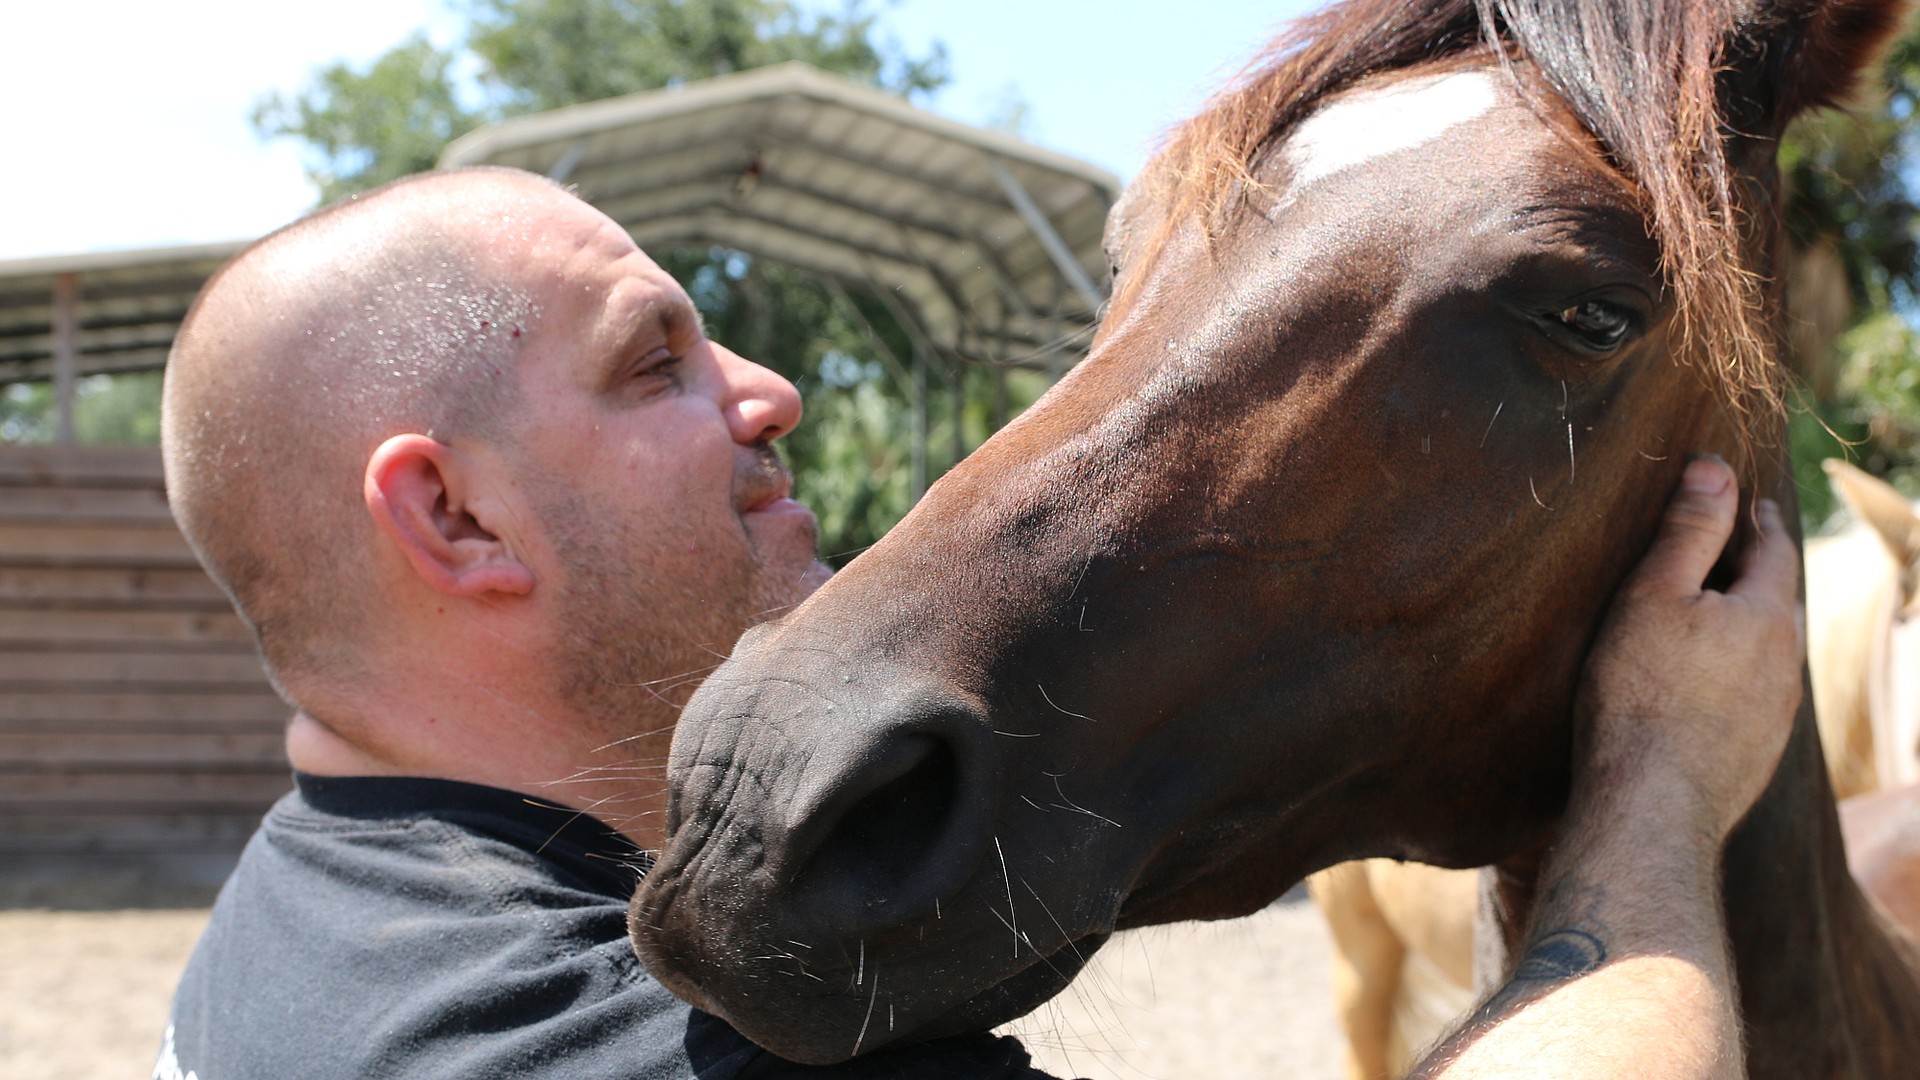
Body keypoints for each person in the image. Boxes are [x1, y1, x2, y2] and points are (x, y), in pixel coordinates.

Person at [153, 165, 1802, 1080]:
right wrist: (1659, 787)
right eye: (653, 365)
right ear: (453, 517)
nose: (773, 393)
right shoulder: (579, 1047)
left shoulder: (300, 912)